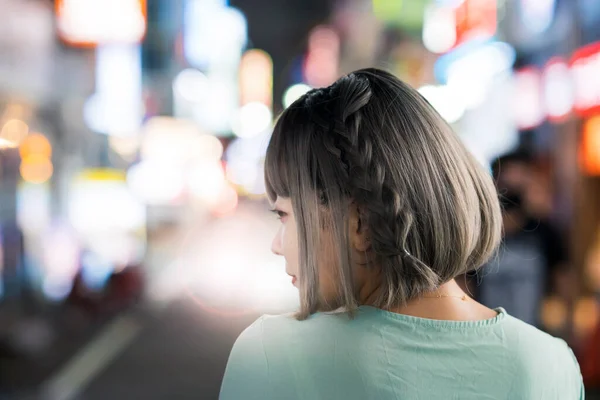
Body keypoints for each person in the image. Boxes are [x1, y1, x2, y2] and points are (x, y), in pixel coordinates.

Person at [219, 68, 583, 399]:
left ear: (358, 222)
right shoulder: (550, 366)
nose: (277, 245)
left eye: (283, 214)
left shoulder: (271, 356)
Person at [474, 152, 569, 327]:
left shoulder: (545, 231)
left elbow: (562, 278)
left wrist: (566, 323)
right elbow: (464, 282)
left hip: (534, 329)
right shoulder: (480, 234)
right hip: (486, 329)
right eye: (507, 189)